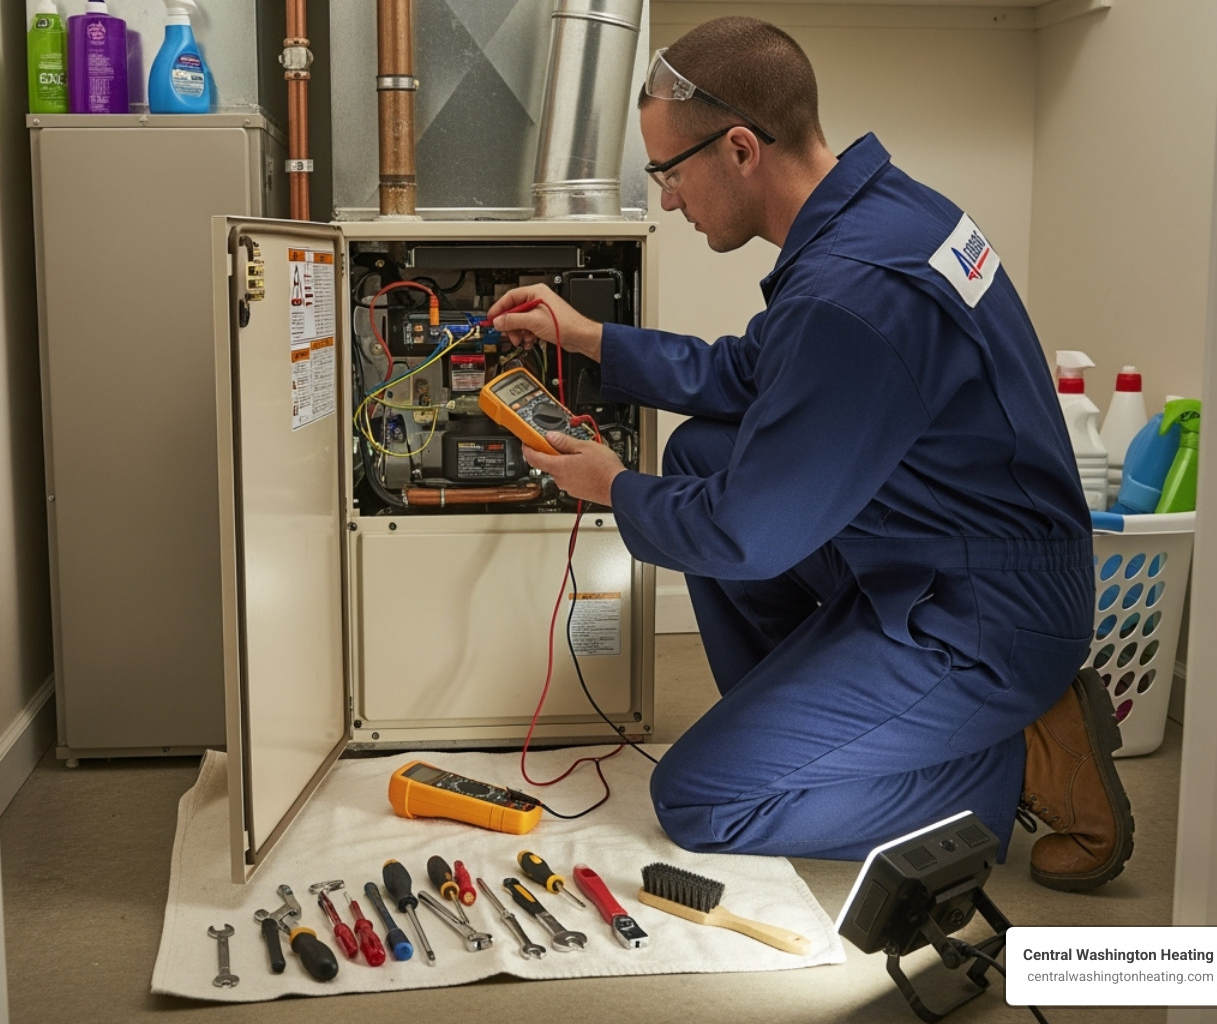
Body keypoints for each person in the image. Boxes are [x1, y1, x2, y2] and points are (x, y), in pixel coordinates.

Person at [486, 16, 1134, 891]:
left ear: (742, 148)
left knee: (701, 801)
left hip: (981, 619)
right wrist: (593, 337)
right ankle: (819, 728)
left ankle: (1011, 760)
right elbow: (754, 372)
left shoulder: (853, 292)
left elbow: (747, 534)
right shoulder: (887, 212)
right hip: (944, 550)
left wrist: (614, 489)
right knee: (706, 452)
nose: (668, 199)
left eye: (669, 171)